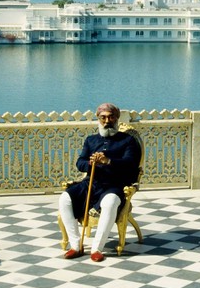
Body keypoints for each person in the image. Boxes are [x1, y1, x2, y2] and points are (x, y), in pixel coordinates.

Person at [58, 103, 141, 262]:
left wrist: (109, 161)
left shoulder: (128, 141)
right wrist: (90, 162)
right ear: (98, 119)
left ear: (116, 118)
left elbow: (130, 164)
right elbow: (79, 163)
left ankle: (97, 248)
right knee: (65, 198)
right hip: (90, 183)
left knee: (110, 202)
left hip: (114, 185)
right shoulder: (91, 140)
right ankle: (76, 246)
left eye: (111, 117)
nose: (107, 121)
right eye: (103, 117)